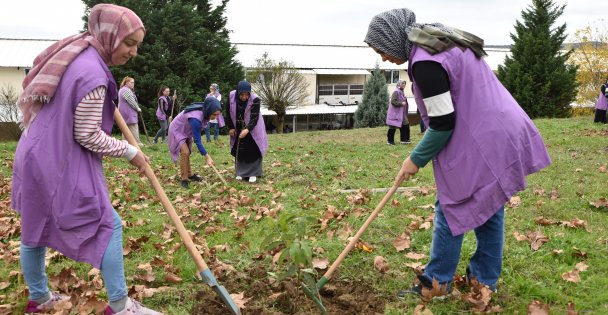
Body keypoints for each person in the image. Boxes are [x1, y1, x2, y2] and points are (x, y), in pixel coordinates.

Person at [365, 8, 551, 297]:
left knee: (450, 206)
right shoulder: (441, 42)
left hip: (483, 137)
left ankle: (437, 282)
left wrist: (415, 159)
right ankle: (483, 281)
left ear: (391, 38)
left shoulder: (426, 63)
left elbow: (442, 123)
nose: (383, 57)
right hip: (499, 127)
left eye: (381, 49)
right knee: (489, 205)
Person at [11, 4, 162, 315]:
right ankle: (120, 307)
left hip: (33, 152)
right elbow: (88, 135)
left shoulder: (77, 52)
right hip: (58, 160)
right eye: (129, 44)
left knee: (33, 226)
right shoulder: (92, 73)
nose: (133, 53)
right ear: (109, 36)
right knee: (109, 224)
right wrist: (131, 152)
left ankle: (38, 300)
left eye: (137, 46)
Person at [168, 96, 220, 188]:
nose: (215, 117)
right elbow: (197, 140)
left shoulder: (205, 111)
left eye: (217, 115)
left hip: (185, 129)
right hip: (177, 129)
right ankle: (184, 179)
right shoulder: (195, 119)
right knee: (185, 152)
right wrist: (207, 156)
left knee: (189, 151)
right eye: (214, 115)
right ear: (209, 110)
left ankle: (189, 174)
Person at [226, 81, 268, 183]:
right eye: (241, 95)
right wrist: (231, 127)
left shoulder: (255, 100)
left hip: (253, 127)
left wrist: (247, 129)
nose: (244, 97)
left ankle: (253, 173)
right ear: (238, 93)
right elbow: (227, 111)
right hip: (238, 126)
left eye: (246, 95)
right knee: (239, 149)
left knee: (253, 149)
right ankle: (240, 172)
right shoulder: (231, 96)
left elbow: (255, 118)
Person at [118, 76, 144, 146]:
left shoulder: (122, 89)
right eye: (131, 82)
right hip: (128, 113)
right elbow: (131, 101)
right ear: (126, 82)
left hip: (124, 113)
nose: (133, 84)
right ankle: (137, 143)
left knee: (125, 128)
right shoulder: (126, 90)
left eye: (133, 83)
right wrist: (137, 108)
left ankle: (124, 143)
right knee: (134, 127)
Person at [386, 80, 411, 145]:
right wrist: (401, 103)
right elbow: (393, 101)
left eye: (405, 83)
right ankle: (390, 141)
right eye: (402, 83)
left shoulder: (401, 92)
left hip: (401, 112)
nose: (404, 84)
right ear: (399, 84)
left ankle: (404, 140)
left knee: (405, 124)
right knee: (392, 127)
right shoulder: (396, 92)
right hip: (394, 113)